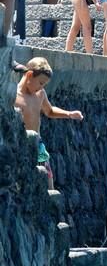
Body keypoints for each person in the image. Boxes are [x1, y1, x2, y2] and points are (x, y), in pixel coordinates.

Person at [14, 57, 84, 190]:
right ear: (29, 75)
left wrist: (68, 114)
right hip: (20, 144)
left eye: (44, 85)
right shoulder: (15, 95)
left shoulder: (40, 94)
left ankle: (50, 200)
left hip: (38, 144)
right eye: (40, 83)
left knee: (47, 179)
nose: (42, 87)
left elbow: (50, 111)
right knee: (22, 182)